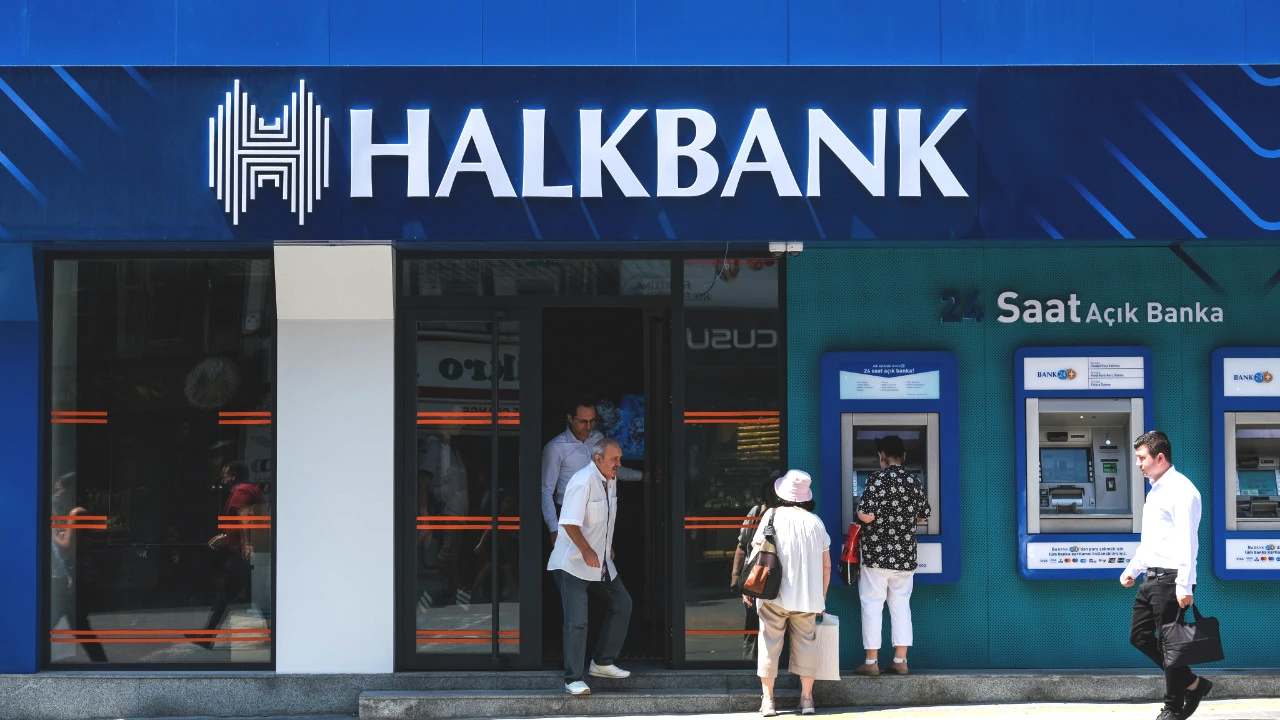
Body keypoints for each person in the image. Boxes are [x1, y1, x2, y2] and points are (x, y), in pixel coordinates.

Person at [1120, 431, 1212, 720]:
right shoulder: (1156, 490)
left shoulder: (1182, 491)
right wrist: (1133, 569)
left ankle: (1172, 708)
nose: (1138, 463)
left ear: (1160, 457)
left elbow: (1188, 541)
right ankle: (1193, 684)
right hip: (1151, 578)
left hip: (1172, 579)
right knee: (1139, 637)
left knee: (1170, 644)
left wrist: (1184, 585)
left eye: (1142, 458)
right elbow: (1153, 540)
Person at [546, 437, 633, 696]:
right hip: (572, 563)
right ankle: (573, 679)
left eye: (619, 458)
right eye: (614, 459)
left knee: (622, 604)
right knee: (577, 622)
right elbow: (568, 522)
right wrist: (586, 549)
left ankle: (602, 662)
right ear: (598, 459)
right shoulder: (582, 481)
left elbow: (604, 519)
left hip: (600, 561)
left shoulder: (610, 479)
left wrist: (606, 546)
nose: (619, 464)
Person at [747, 470, 830, 717]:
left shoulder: (771, 515)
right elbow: (826, 565)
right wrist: (822, 597)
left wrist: (749, 586)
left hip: (773, 594)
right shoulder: (816, 523)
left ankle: (768, 701)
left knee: (769, 643)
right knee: (807, 644)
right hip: (808, 597)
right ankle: (807, 699)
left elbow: (757, 552)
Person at [854, 435, 931, 677]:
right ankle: (900, 660)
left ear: (881, 457)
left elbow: (866, 515)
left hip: (877, 554)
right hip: (905, 555)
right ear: (904, 456)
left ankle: (871, 662)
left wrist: (859, 511)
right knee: (901, 605)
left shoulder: (877, 479)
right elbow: (924, 514)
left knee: (872, 604)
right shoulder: (913, 480)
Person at [541, 395, 643, 544]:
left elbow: (612, 470)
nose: (589, 426)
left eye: (592, 421)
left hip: (599, 515)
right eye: (583, 421)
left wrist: (642, 476)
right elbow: (546, 491)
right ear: (570, 418)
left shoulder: (598, 438)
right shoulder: (556, 448)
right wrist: (553, 529)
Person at [192, 460, 263, 649]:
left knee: (225, 592)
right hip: (248, 548)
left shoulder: (241, 491)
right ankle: (207, 634)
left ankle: (207, 635)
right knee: (244, 593)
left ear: (233, 475)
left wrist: (246, 545)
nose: (222, 478)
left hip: (242, 551)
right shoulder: (251, 489)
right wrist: (226, 537)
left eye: (225, 474)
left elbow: (245, 518)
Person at [731, 476, 777, 660]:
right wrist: (736, 575)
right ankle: (750, 663)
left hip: (770, 578)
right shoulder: (757, 512)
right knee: (753, 625)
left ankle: (765, 663)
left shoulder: (782, 515)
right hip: (756, 577)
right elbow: (742, 545)